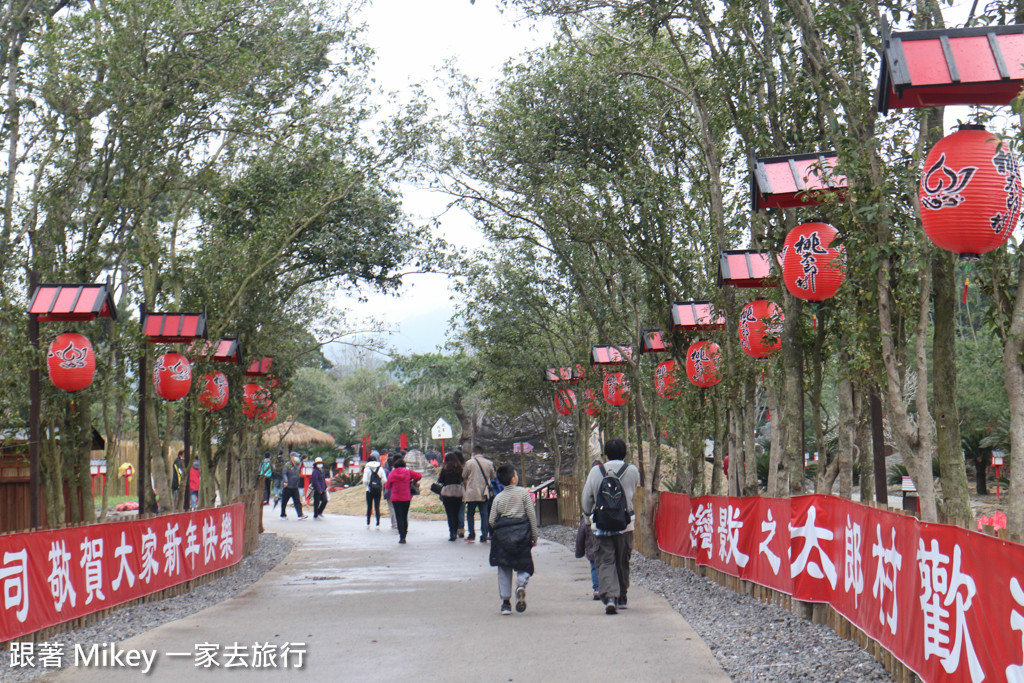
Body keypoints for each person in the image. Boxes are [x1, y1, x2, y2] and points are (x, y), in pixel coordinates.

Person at [581, 439, 640, 614]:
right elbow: (632, 493)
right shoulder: (632, 471)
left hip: (601, 524)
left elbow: (587, 498)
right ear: (625, 453)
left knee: (606, 560)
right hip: (625, 524)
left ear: (605, 455)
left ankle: (610, 598)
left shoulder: (595, 471)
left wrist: (586, 516)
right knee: (623, 560)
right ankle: (622, 595)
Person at [488, 464, 537, 615]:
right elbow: (531, 516)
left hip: (503, 537)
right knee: (524, 565)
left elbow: (491, 520)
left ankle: (505, 603)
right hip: (522, 535)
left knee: (504, 567)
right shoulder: (523, 494)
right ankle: (521, 584)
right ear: (513, 479)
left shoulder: (498, 498)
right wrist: (534, 536)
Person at [383, 454, 421, 544]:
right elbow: (419, 476)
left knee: (398, 516)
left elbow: (387, 485)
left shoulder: (392, 473)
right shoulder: (408, 472)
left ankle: (401, 536)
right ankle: (405, 534)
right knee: (404, 516)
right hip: (406, 497)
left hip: (396, 498)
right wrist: (412, 480)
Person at [462, 445, 496, 543]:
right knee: (484, 514)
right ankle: (484, 535)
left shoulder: (469, 463)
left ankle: (471, 534)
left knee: (470, 514)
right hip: (484, 492)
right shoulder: (489, 463)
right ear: (483, 453)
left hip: (472, 492)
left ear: (474, 453)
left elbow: (464, 475)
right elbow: (493, 476)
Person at [437, 453, 465, 541]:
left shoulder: (445, 469)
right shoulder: (460, 468)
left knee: (450, 514)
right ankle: (456, 529)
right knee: (456, 513)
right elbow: (463, 479)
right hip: (458, 492)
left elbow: (440, 480)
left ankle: (452, 532)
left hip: (447, 492)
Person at [575, 515, 600, 600]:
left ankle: (597, 589)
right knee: (608, 566)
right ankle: (609, 588)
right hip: (606, 547)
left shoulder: (586, 518)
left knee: (594, 568)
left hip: (592, 549)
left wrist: (579, 552)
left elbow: (580, 537)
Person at [280, 452, 308, 520]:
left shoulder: (297, 465)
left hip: (295, 486)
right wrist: (285, 481)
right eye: (296, 457)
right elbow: (284, 473)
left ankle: (300, 514)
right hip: (288, 486)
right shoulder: (287, 465)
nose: (297, 458)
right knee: (284, 501)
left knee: (297, 501)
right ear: (291, 457)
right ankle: (283, 514)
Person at [362, 453, 387, 527]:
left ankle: (368, 522)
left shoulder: (367, 469)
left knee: (369, 506)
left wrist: (368, 485)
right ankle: (378, 522)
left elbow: (365, 481)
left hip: (369, 490)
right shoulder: (380, 468)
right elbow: (384, 480)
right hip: (378, 490)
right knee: (377, 506)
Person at [381, 452, 398, 529]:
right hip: (397, 491)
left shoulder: (385, 471)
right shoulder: (397, 470)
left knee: (391, 508)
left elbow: (384, 482)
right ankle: (399, 522)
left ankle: (394, 523)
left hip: (388, 491)